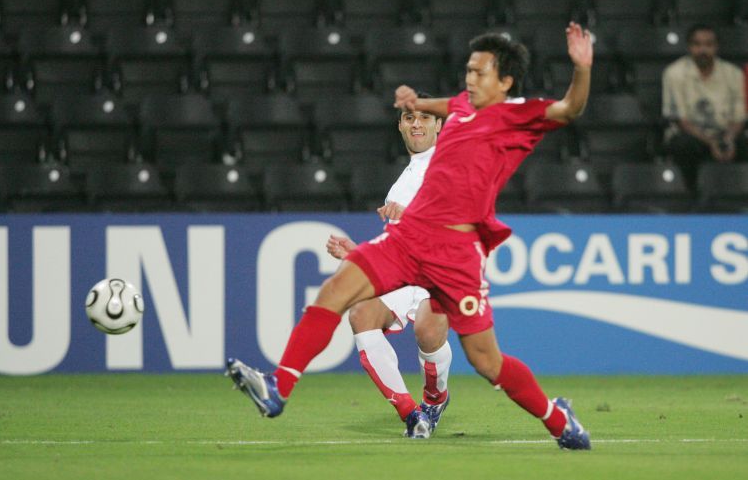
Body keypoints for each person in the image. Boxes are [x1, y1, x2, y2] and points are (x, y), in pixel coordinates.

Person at [227, 22, 594, 450]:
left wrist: (582, 68)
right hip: (410, 238)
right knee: (337, 291)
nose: (470, 78)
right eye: (468, 70)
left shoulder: (517, 115)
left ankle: (558, 419)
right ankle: (279, 387)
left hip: (456, 252)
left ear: (506, 81)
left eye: (480, 72)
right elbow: (446, 103)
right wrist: (416, 101)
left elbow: (570, 108)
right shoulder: (461, 106)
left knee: (486, 361)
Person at [326, 99, 450, 438]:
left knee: (427, 330)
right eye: (409, 118)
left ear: (439, 125)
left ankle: (435, 399)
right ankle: (412, 415)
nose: (416, 124)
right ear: (400, 125)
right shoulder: (401, 182)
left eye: (425, 117)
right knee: (361, 313)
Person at [663, 23, 748, 190]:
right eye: (697, 44)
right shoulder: (674, 73)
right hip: (692, 135)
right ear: (689, 47)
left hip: (726, 134)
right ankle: (691, 194)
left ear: (716, 47)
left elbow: (739, 117)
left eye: (709, 44)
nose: (703, 50)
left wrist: (728, 140)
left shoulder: (734, 74)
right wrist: (711, 143)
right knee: (683, 145)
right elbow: (682, 120)